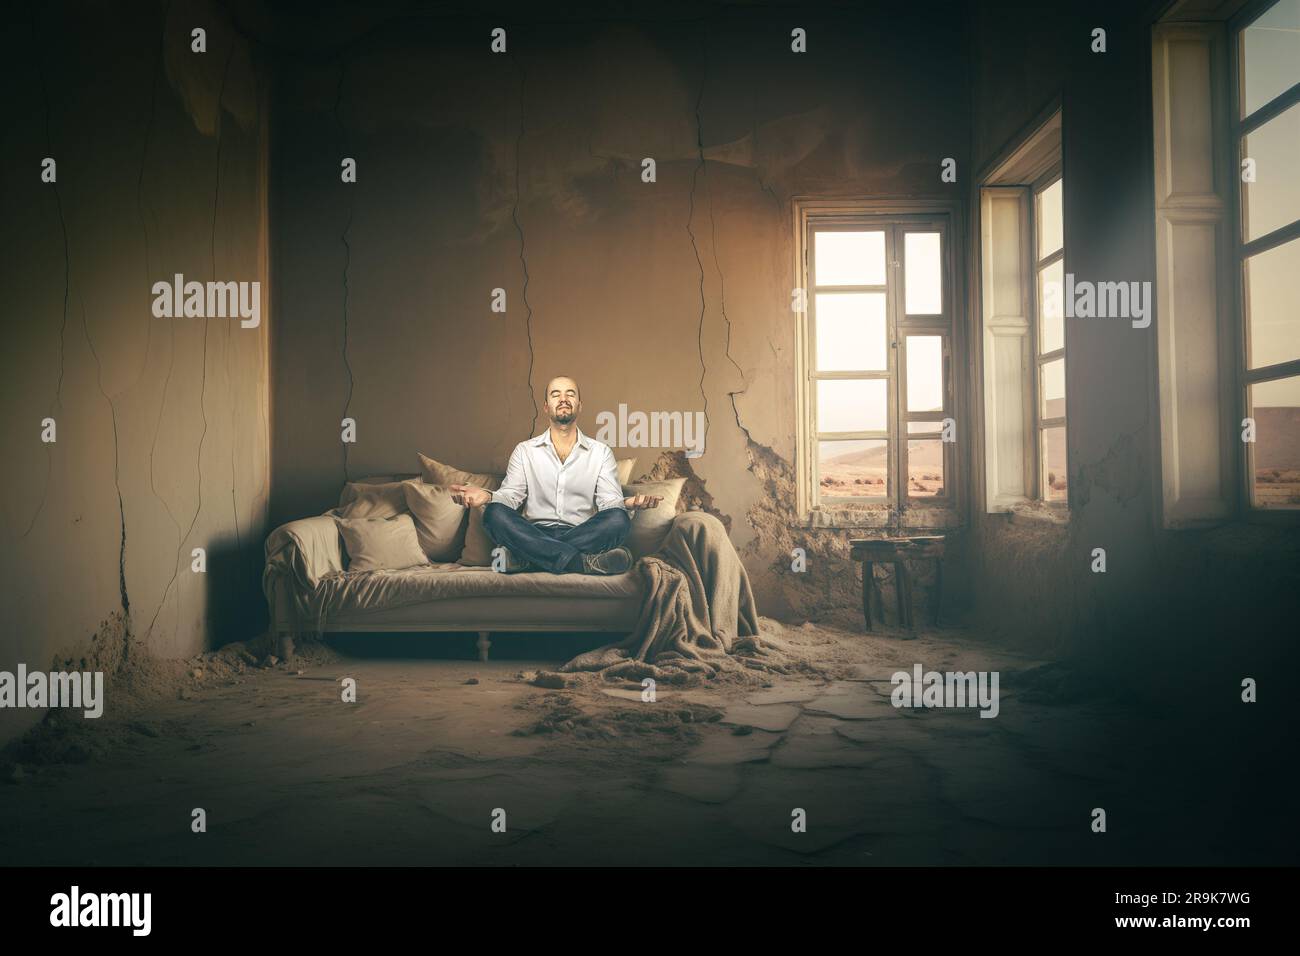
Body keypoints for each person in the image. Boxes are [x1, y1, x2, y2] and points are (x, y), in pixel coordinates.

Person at [450, 376, 662, 574]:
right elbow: (510, 497)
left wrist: (628, 503)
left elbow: (608, 503)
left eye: (570, 394)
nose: (563, 399)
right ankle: (581, 563)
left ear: (580, 405)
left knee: (618, 519)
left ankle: (527, 560)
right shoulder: (525, 450)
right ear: (546, 406)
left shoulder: (601, 452)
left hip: (583, 532)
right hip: (532, 532)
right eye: (555, 394)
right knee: (494, 513)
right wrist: (487, 496)